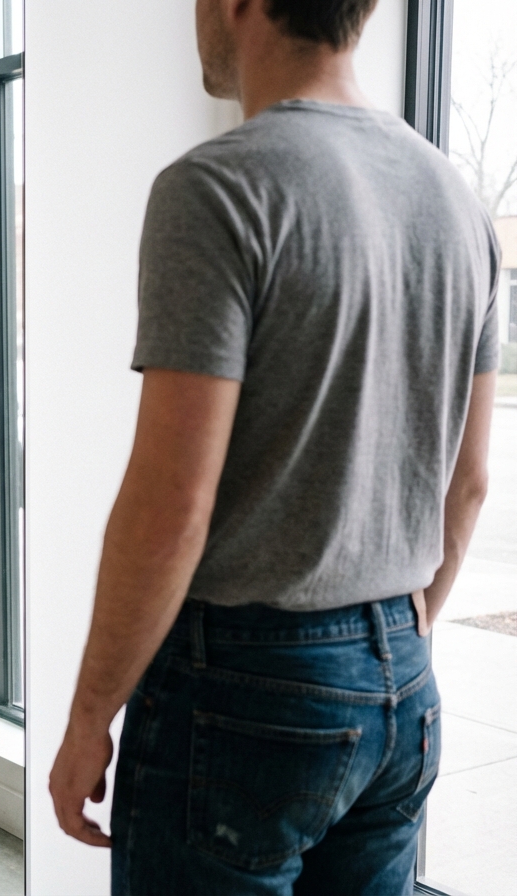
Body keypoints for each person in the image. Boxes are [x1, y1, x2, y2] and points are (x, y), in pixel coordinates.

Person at [49, 0, 499, 893]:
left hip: (245, 687)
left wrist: (90, 714)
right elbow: (471, 482)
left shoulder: (218, 186)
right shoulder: (459, 204)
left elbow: (172, 504)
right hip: (405, 686)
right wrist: (392, 636)